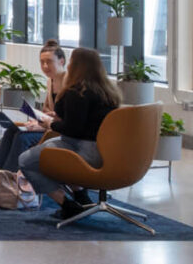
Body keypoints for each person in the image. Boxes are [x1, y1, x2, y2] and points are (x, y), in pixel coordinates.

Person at [18, 47, 121, 219]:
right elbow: (87, 121)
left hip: (82, 151)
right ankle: (82, 197)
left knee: (26, 160)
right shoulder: (109, 93)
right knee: (56, 152)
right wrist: (59, 119)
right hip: (105, 152)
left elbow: (74, 130)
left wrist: (50, 123)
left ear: (76, 66)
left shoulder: (77, 92)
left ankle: (67, 205)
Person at [0, 39, 67, 197]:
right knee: (10, 132)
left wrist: (43, 125)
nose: (45, 66)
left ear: (61, 61)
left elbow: (67, 120)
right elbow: (49, 110)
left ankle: (4, 184)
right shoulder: (50, 81)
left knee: (22, 138)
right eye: (42, 62)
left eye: (49, 62)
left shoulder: (69, 84)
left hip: (58, 132)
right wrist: (37, 119)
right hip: (47, 126)